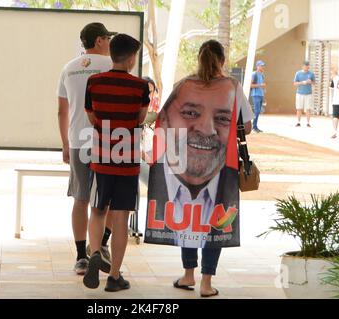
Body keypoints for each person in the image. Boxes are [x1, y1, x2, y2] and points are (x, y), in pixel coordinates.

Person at [147, 40, 254, 298]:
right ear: (223, 60)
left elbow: (163, 118)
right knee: (214, 218)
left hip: (185, 161)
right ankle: (206, 282)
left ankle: (188, 275)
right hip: (220, 162)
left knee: (188, 216)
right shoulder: (233, 87)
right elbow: (247, 127)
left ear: (198, 58)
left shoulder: (183, 86)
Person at [83, 34, 149, 292]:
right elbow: (140, 117)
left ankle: (96, 250)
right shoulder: (140, 87)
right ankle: (114, 276)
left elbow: (91, 117)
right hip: (128, 161)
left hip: (101, 159)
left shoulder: (94, 82)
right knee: (120, 215)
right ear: (132, 58)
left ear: (112, 54)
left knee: (97, 211)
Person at [57, 22, 116, 275]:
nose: (110, 44)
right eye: (108, 39)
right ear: (100, 40)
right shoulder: (113, 65)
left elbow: (62, 110)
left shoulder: (68, 69)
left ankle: (81, 257)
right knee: (108, 200)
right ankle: (101, 246)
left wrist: (65, 144)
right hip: (109, 142)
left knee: (80, 199)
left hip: (78, 142)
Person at [293, 61, 316, 127]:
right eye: (306, 65)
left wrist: (310, 82)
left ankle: (308, 123)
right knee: (299, 108)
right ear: (302, 66)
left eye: (308, 65)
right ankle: (298, 122)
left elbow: (314, 83)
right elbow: (294, 83)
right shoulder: (298, 73)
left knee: (308, 109)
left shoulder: (311, 74)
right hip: (299, 93)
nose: (307, 67)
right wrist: (302, 82)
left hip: (308, 93)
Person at [250, 60, 266, 133]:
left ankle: (255, 126)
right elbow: (250, 85)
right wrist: (260, 85)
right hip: (255, 94)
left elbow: (263, 85)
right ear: (257, 66)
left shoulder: (262, 75)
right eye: (261, 66)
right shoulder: (254, 74)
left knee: (258, 111)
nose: (263, 67)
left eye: (263, 66)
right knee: (256, 111)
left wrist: (264, 92)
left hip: (261, 94)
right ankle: (253, 127)